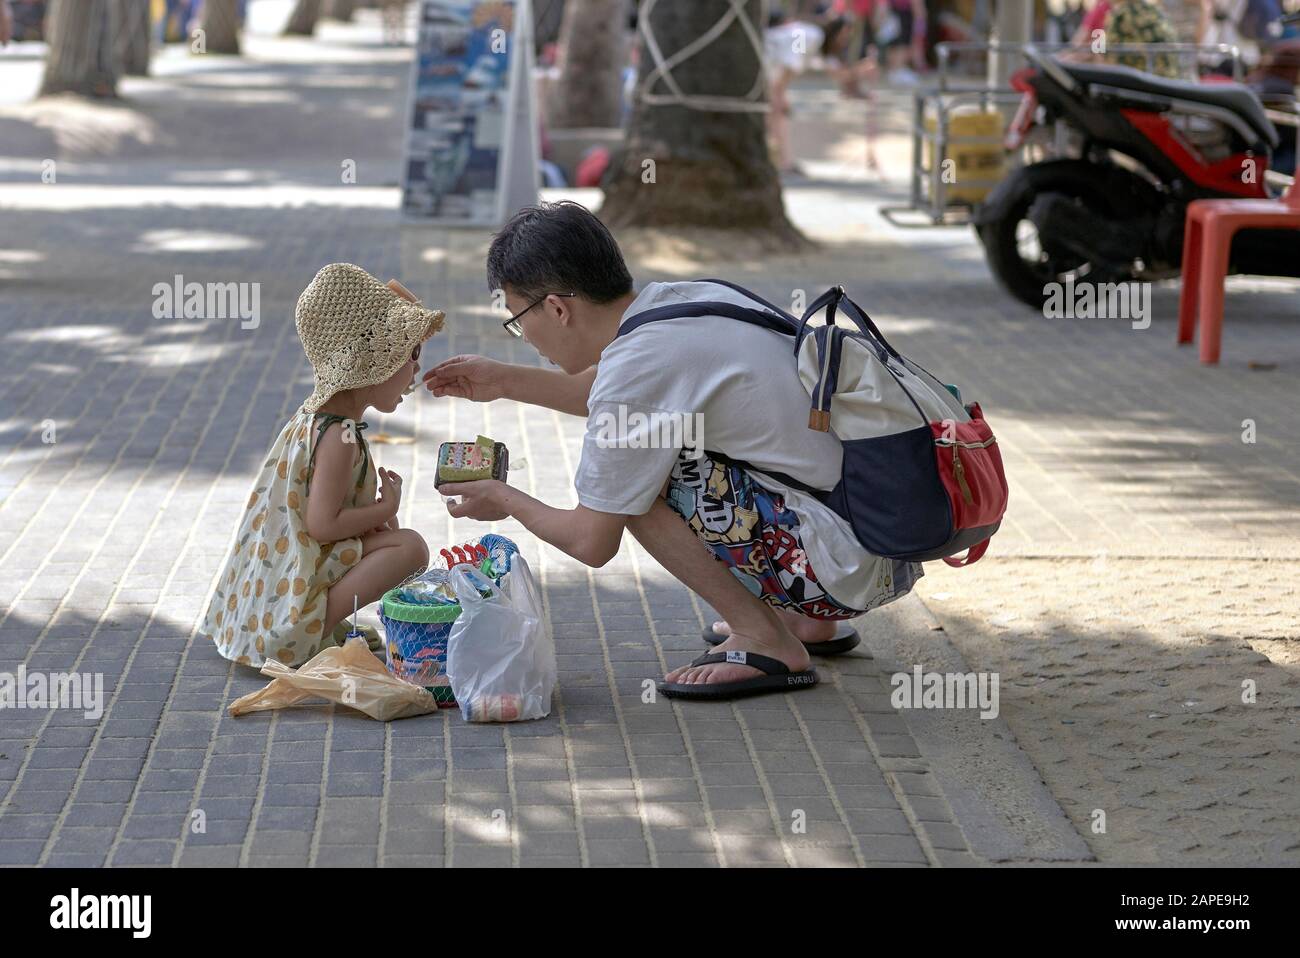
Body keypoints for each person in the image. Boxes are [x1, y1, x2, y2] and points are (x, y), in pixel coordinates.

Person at [425, 202, 922, 701]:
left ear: (557, 308)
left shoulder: (635, 371)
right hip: (878, 540)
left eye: (517, 320)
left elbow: (591, 543)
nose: (525, 338)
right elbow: (609, 396)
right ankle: (806, 623)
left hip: (839, 566)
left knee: (634, 488)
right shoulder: (680, 300)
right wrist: (503, 380)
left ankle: (767, 639)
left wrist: (500, 496)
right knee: (640, 451)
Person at [200, 264, 443, 668]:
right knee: (411, 548)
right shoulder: (338, 436)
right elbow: (323, 526)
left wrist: (373, 523)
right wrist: (386, 508)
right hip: (289, 602)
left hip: (286, 575)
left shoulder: (321, 421)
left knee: (393, 541)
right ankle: (307, 635)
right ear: (373, 364)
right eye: (411, 353)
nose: (416, 368)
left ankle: (317, 625)